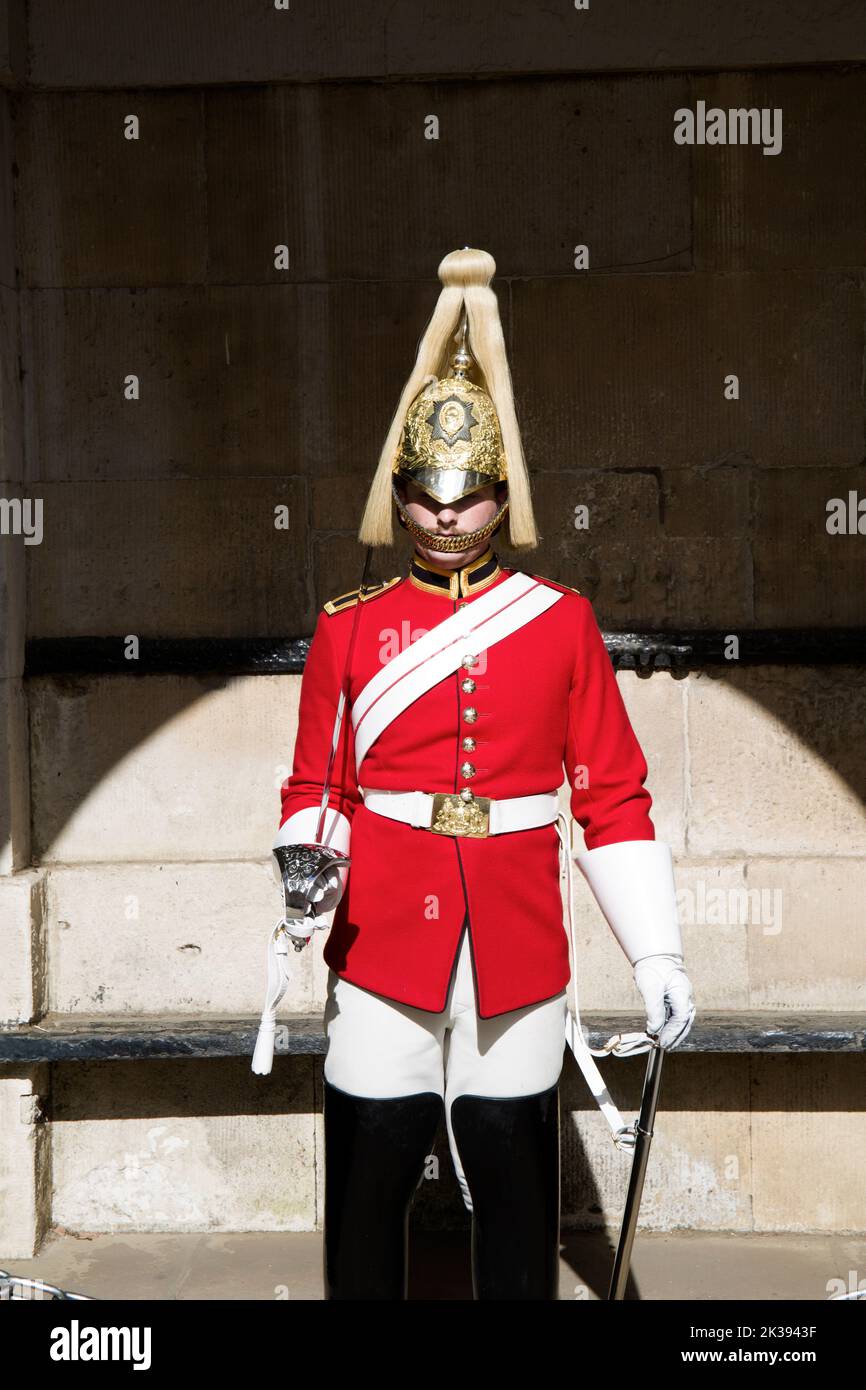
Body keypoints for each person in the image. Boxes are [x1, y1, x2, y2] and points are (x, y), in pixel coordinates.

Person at [256, 246, 696, 1300]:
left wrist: (655, 952)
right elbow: (316, 782)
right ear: (399, 497)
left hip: (512, 931)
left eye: (468, 496)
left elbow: (610, 794)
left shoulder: (561, 623)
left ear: (500, 497)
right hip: (382, 937)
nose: (447, 516)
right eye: (426, 495)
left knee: (512, 1180)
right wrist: (308, 873)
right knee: (366, 1179)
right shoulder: (348, 630)